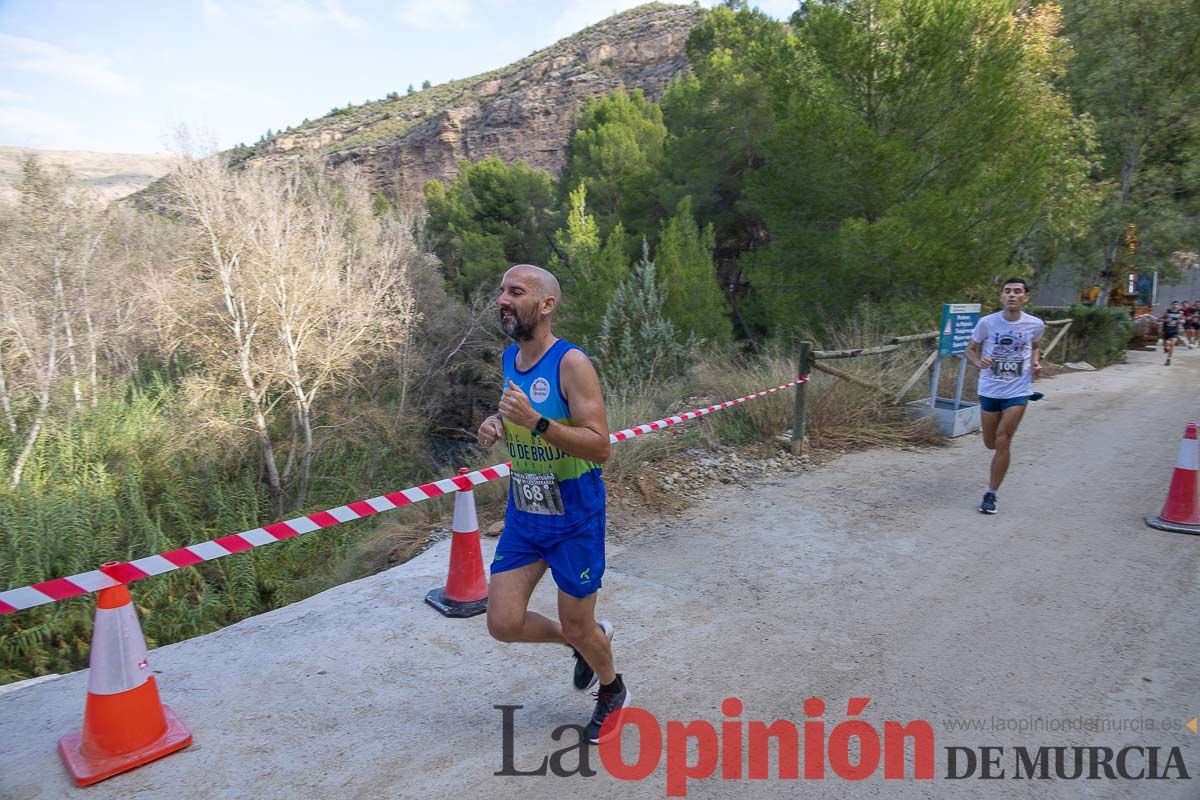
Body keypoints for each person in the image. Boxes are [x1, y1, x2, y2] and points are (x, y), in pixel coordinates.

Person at [476, 263, 630, 744]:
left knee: (577, 623)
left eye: (515, 292)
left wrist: (537, 422)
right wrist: (499, 425)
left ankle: (612, 688)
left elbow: (599, 445)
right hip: (526, 510)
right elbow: (517, 413)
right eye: (501, 290)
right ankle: (585, 642)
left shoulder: (572, 364)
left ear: (546, 305)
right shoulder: (509, 359)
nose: (502, 298)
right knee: (503, 622)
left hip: (575, 514)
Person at [965, 278, 1045, 515]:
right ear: (1001, 296)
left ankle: (991, 494)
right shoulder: (987, 323)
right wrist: (979, 362)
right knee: (990, 442)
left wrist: (1035, 361)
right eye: (1007, 291)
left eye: (1017, 291)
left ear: (1026, 297)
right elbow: (970, 349)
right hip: (990, 388)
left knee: (1003, 439)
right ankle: (996, 459)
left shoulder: (1035, 324)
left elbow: (1036, 345)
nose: (1012, 295)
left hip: (1018, 390)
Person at [1160, 301, 1184, 365]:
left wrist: (1180, 321)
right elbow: (1159, 319)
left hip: (1175, 331)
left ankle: (1168, 359)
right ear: (1171, 305)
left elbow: (1183, 320)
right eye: (1174, 304)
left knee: (1172, 345)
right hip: (1167, 331)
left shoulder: (1180, 313)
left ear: (1178, 306)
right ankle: (1166, 348)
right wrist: (1166, 320)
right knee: (1167, 344)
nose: (1175, 306)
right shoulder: (1166, 311)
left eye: (1176, 305)